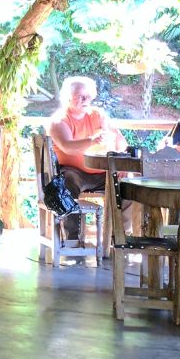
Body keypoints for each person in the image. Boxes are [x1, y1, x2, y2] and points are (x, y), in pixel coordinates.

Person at [47, 76, 126, 241]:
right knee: (68, 183)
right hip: (73, 171)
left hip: (102, 171)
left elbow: (120, 141)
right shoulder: (59, 120)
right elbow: (67, 146)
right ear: (68, 97)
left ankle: (121, 237)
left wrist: (120, 163)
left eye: (89, 96)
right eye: (80, 96)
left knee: (127, 183)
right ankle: (73, 239)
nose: (86, 100)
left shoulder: (97, 115)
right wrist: (92, 140)